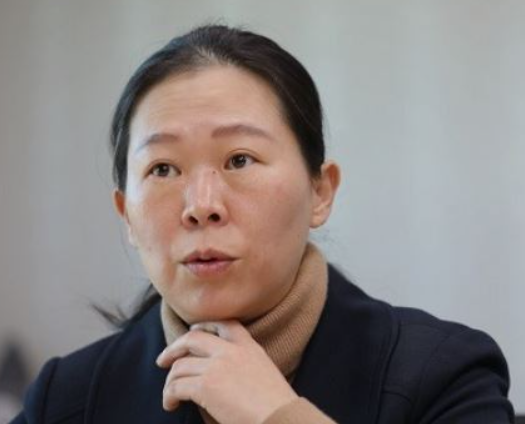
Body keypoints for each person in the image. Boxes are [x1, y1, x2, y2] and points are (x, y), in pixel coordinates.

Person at [11, 25, 514, 424]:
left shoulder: (443, 376)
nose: (201, 206)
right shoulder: (66, 399)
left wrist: (277, 416)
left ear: (321, 192)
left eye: (239, 160)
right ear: (126, 213)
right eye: (163, 169)